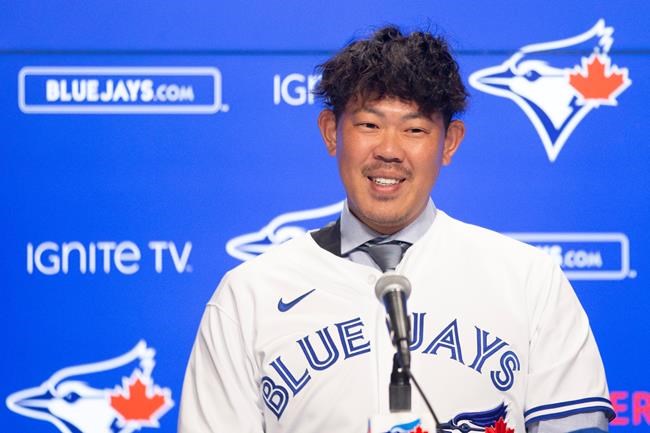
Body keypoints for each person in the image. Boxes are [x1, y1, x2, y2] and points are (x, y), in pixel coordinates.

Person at [178, 26, 614, 433]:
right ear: (331, 133)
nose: (389, 150)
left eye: (415, 129)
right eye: (369, 125)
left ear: (450, 142)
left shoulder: (528, 281)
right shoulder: (249, 295)